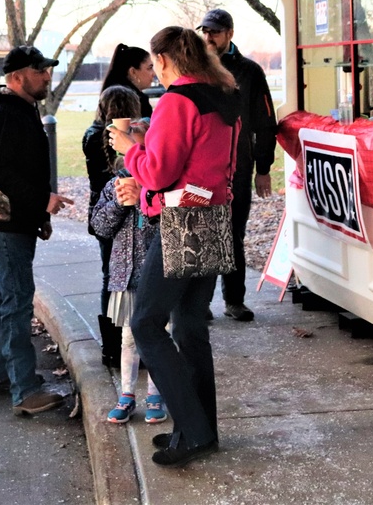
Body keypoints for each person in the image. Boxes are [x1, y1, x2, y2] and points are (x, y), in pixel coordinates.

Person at [110, 26, 239, 467]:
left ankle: (195, 431)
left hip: (181, 225)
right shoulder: (221, 96)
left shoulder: (176, 101)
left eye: (156, 62)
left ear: (163, 60)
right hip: (214, 220)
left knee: (146, 324)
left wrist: (130, 148)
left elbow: (160, 173)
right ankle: (199, 428)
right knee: (188, 326)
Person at [0, 45, 74, 416]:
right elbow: (0, 170)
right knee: (16, 300)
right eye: (39, 71)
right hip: (4, 225)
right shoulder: (5, 114)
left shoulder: (20, 110)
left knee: (3, 296)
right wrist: (40, 201)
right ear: (17, 77)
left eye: (47, 70)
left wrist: (39, 213)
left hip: (9, 222)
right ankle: (25, 390)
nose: (47, 76)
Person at [199, 8, 278, 322]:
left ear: (229, 33)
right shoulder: (194, 69)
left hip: (239, 169)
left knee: (232, 235)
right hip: (202, 168)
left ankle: (234, 300)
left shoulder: (250, 71)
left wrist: (264, 167)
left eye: (214, 32)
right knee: (203, 234)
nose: (208, 37)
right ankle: (199, 302)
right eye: (204, 31)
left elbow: (265, 121)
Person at [89, 155, 165, 425]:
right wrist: (120, 203)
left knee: (160, 335)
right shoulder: (114, 186)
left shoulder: (163, 187)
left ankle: (157, 394)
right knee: (129, 339)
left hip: (158, 276)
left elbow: (170, 225)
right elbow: (99, 227)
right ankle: (127, 395)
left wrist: (145, 199)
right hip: (126, 276)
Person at [82, 85, 144, 367]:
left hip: (103, 210)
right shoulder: (130, 140)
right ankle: (131, 342)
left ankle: (112, 345)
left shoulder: (92, 135)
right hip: (124, 209)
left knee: (111, 276)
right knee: (131, 276)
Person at [100, 43, 156, 118]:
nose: (154, 73)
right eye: (149, 68)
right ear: (133, 72)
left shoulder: (113, 94)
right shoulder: (123, 99)